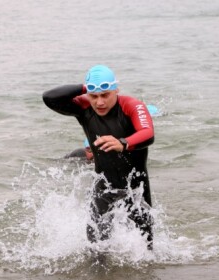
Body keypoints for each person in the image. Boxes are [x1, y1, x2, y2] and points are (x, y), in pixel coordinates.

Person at [43, 65, 155, 250]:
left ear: (116, 90)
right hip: (103, 185)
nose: (99, 102)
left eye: (105, 95)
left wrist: (124, 143)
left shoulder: (131, 105)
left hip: (136, 187)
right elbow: (49, 97)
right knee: (95, 246)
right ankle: (100, 278)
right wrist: (87, 88)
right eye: (94, 96)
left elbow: (148, 133)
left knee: (146, 247)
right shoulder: (84, 107)